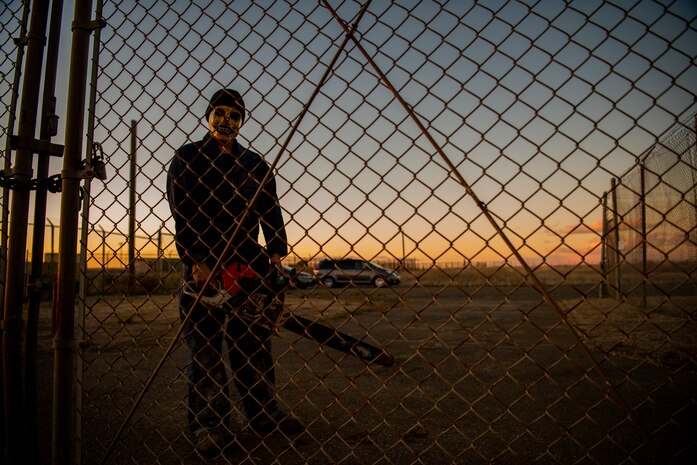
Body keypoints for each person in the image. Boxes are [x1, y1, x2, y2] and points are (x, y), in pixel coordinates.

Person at [167, 88, 303, 455]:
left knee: (254, 345)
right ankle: (209, 426)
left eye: (234, 115)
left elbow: (270, 209)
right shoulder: (188, 157)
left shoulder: (255, 165)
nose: (226, 120)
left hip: (247, 264)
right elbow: (182, 211)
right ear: (209, 116)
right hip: (204, 264)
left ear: (243, 122)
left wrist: (276, 253)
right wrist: (197, 259)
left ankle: (264, 414)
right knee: (207, 351)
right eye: (220, 112)